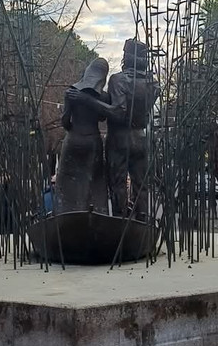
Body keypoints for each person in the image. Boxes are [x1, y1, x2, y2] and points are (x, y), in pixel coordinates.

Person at [105, 38, 159, 221]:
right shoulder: (153, 83)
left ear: (126, 57)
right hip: (141, 137)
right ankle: (141, 220)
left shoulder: (118, 80)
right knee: (141, 183)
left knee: (118, 182)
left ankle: (120, 218)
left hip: (120, 137)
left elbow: (119, 111)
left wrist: (93, 104)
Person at [56, 58, 112, 214]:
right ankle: (98, 212)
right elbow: (102, 118)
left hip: (74, 139)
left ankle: (66, 214)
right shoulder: (104, 97)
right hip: (93, 140)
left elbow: (65, 122)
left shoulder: (71, 91)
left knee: (67, 180)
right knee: (94, 179)